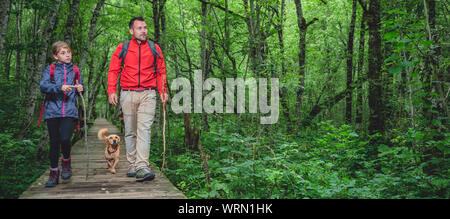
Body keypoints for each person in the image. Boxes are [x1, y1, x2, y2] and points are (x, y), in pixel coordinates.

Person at [107, 17, 168, 182]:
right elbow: (113, 70)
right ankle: (132, 163)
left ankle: (142, 166)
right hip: (128, 93)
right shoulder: (123, 47)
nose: (144, 31)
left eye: (145, 28)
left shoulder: (154, 48)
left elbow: (161, 71)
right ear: (131, 31)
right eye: (139, 28)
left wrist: (163, 90)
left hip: (149, 93)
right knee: (131, 131)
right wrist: (112, 90)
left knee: (144, 130)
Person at [39, 41, 84, 187]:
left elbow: (80, 88)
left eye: (68, 52)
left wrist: (80, 88)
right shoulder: (50, 69)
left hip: (69, 110)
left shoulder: (75, 70)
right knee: (54, 142)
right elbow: (43, 86)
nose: (67, 55)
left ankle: (66, 161)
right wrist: (59, 87)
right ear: (55, 56)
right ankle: (53, 173)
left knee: (65, 139)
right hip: (52, 110)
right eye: (62, 53)